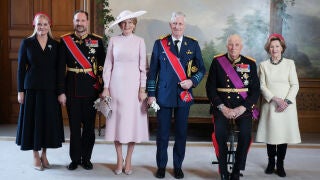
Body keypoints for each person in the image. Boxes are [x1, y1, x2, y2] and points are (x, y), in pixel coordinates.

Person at [147, 11, 205, 179]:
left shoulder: (192, 45)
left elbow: (201, 69)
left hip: (183, 96)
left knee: (181, 133)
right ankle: (161, 166)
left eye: (180, 24)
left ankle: (178, 166)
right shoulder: (160, 44)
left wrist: (192, 81)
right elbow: (153, 73)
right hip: (163, 96)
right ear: (170, 25)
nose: (177, 26)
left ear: (184, 26)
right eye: (174, 24)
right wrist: (151, 94)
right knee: (162, 134)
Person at [101, 10, 149, 175]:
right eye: (124, 22)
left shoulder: (140, 42)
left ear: (134, 24)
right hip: (116, 88)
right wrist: (106, 87)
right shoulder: (113, 40)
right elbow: (108, 66)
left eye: (130, 22)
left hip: (134, 89)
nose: (127, 25)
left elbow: (144, 68)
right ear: (120, 25)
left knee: (132, 124)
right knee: (117, 124)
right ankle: (119, 158)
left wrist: (142, 89)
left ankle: (129, 159)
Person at [206, 34, 260, 180]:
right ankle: (223, 170)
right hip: (222, 107)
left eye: (237, 44)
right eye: (231, 44)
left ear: (241, 46)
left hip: (242, 107)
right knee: (220, 134)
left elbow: (255, 90)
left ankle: (236, 170)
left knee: (245, 135)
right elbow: (210, 88)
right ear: (226, 46)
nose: (233, 47)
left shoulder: (250, 63)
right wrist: (222, 107)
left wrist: (243, 108)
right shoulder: (217, 62)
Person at [16, 12, 65, 171]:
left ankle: (44, 153)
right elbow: (20, 69)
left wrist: (60, 91)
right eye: (39, 24)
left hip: (50, 90)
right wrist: (20, 90)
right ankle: (35, 155)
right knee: (33, 123)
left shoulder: (56, 45)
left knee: (47, 123)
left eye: (45, 24)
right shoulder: (27, 43)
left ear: (49, 25)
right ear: (34, 25)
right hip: (32, 89)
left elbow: (59, 71)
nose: (42, 27)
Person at [57, 10, 106, 170]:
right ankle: (74, 159)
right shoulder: (65, 41)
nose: (80, 23)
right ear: (74, 22)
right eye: (77, 21)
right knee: (74, 127)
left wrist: (102, 89)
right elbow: (59, 69)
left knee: (89, 128)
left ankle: (87, 158)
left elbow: (102, 67)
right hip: (71, 88)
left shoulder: (97, 41)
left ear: (88, 22)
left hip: (91, 89)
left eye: (83, 20)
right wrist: (61, 91)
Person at [255, 33, 301, 178]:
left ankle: (280, 164)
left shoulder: (290, 63)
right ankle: (270, 163)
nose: (274, 49)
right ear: (268, 49)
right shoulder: (263, 65)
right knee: (271, 136)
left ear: (282, 48)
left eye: (277, 46)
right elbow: (262, 86)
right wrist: (274, 98)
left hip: (286, 107)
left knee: (282, 136)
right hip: (270, 105)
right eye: (272, 46)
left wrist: (286, 101)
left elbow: (295, 85)